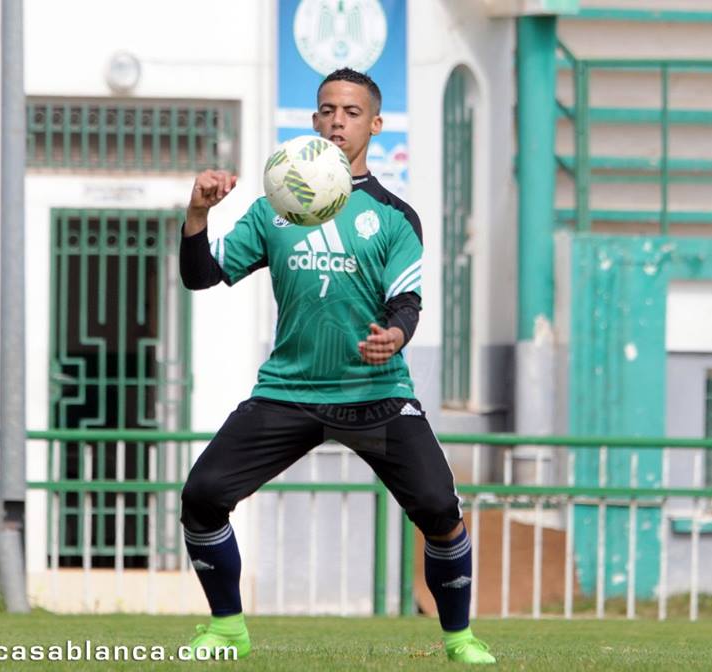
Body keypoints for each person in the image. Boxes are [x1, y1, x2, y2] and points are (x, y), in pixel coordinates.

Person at [178, 67, 495, 664]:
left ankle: (459, 639)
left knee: (439, 511)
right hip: (289, 392)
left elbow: (407, 302)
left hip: (375, 394)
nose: (337, 121)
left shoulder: (395, 215)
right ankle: (226, 629)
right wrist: (197, 215)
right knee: (203, 494)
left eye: (351, 112)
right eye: (327, 110)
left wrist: (394, 336)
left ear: (374, 125)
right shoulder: (275, 207)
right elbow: (200, 276)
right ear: (314, 120)